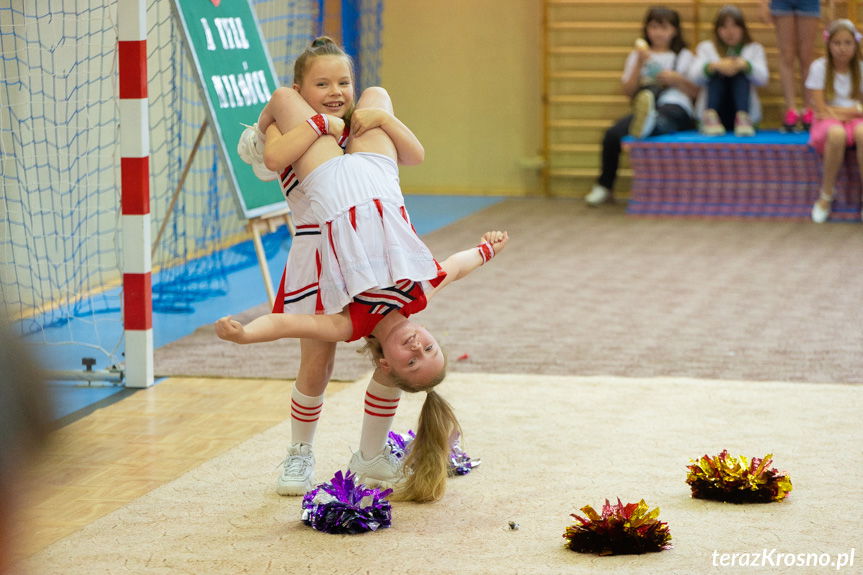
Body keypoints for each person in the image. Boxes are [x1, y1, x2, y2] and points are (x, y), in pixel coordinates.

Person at [236, 36, 479, 502]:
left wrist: (378, 119)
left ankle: (370, 454)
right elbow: (270, 160)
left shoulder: (364, 128)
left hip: (375, 252)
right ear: (301, 89)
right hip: (319, 254)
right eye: (322, 83)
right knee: (317, 362)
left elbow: (411, 152)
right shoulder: (294, 130)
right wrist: (279, 127)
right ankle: (299, 453)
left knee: (392, 349)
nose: (336, 90)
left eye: (343, 82)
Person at [585, 6, 699, 206]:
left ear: (674, 30)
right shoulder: (636, 55)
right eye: (653, 27)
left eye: (664, 28)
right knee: (612, 134)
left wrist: (676, 79)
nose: (658, 33)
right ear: (646, 29)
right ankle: (604, 185)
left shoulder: (684, 56)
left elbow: (697, 92)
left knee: (663, 119)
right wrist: (639, 63)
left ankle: (650, 123)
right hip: (645, 109)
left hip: (675, 107)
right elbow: (628, 91)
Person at [805, 19, 863, 223]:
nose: (842, 48)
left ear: (855, 45)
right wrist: (853, 111)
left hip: (852, 122)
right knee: (836, 133)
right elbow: (820, 110)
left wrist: (836, 112)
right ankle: (826, 195)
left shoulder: (861, 69)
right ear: (828, 45)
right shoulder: (819, 67)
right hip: (827, 124)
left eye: (848, 43)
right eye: (837, 43)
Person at [691, 5, 769, 137]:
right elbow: (694, 76)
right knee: (717, 73)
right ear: (717, 30)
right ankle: (711, 117)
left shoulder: (754, 48)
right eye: (724, 27)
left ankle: (743, 117)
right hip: (716, 108)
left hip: (743, 110)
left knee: (740, 74)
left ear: (743, 29)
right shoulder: (706, 48)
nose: (730, 32)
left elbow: (763, 79)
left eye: (734, 26)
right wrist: (714, 66)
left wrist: (744, 65)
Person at [759, 0, 834, 132]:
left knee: (807, 55)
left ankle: (808, 109)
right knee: (786, 54)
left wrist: (831, 5)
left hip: (808, 3)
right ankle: (791, 109)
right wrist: (763, 4)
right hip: (782, 3)